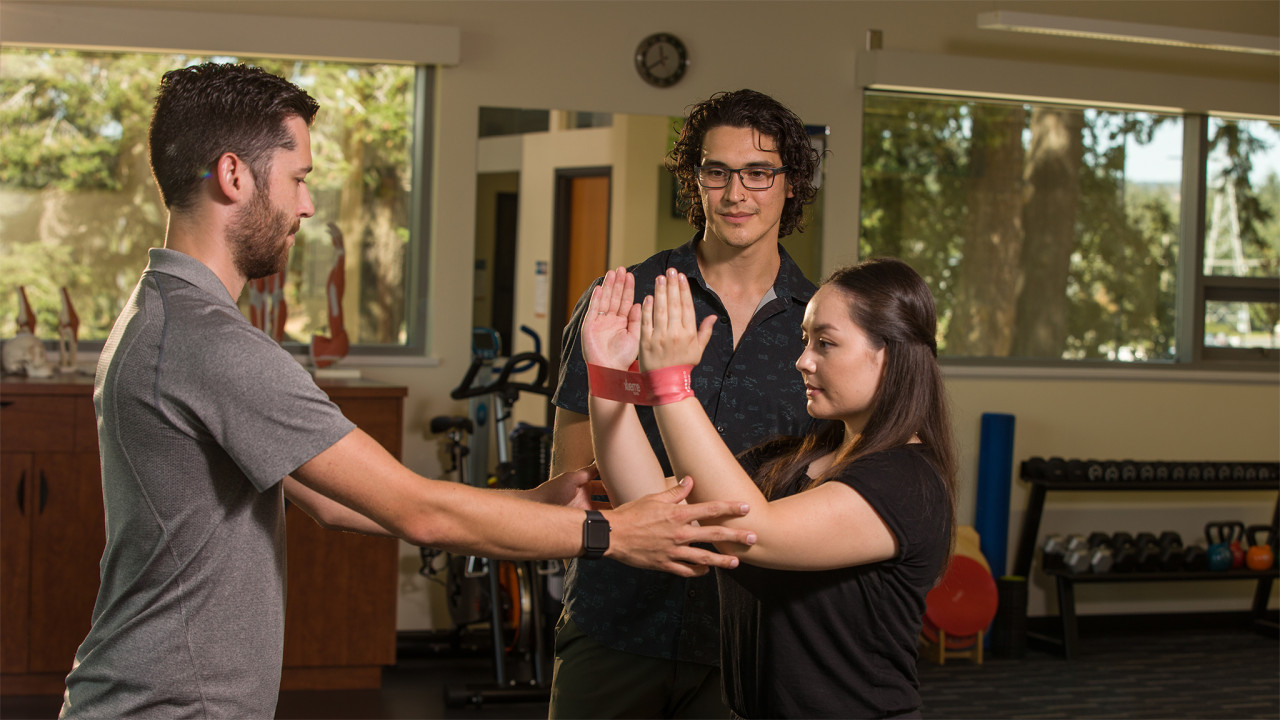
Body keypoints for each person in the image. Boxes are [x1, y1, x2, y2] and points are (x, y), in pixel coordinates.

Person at [59, 63, 760, 720]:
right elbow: (417, 511)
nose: (306, 206)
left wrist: (528, 505)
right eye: (298, 178)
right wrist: (611, 534)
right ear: (234, 175)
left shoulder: (162, 313)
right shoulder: (212, 344)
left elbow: (332, 502)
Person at [549, 89, 822, 718]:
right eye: (717, 172)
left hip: (749, 634)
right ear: (693, 180)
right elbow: (572, 464)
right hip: (618, 621)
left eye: (758, 173)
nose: (735, 194)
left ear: (791, 184)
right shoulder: (627, 297)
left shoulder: (820, 321)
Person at [583, 258, 957, 718]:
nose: (802, 360)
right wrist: (607, 377)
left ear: (889, 353)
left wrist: (671, 384)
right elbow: (646, 505)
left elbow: (753, 531)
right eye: (805, 341)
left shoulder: (907, 481)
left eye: (825, 343)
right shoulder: (788, 460)